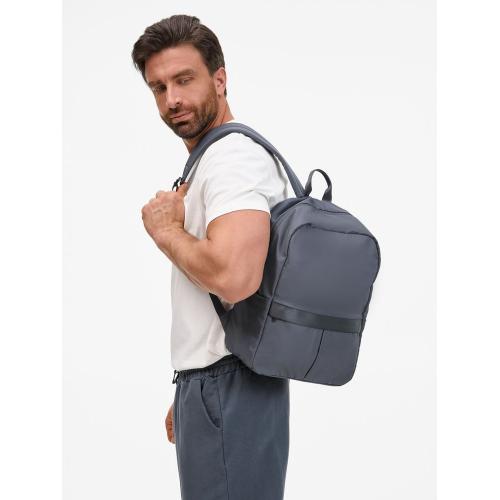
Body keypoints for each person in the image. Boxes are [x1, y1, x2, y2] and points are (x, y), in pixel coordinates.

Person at [132, 14, 290, 500]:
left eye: (184, 80)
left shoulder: (232, 159)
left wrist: (165, 231)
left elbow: (235, 277)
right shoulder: (213, 158)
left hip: (230, 384)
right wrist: (191, 387)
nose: (171, 100)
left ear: (219, 79)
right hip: (221, 383)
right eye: (159, 87)